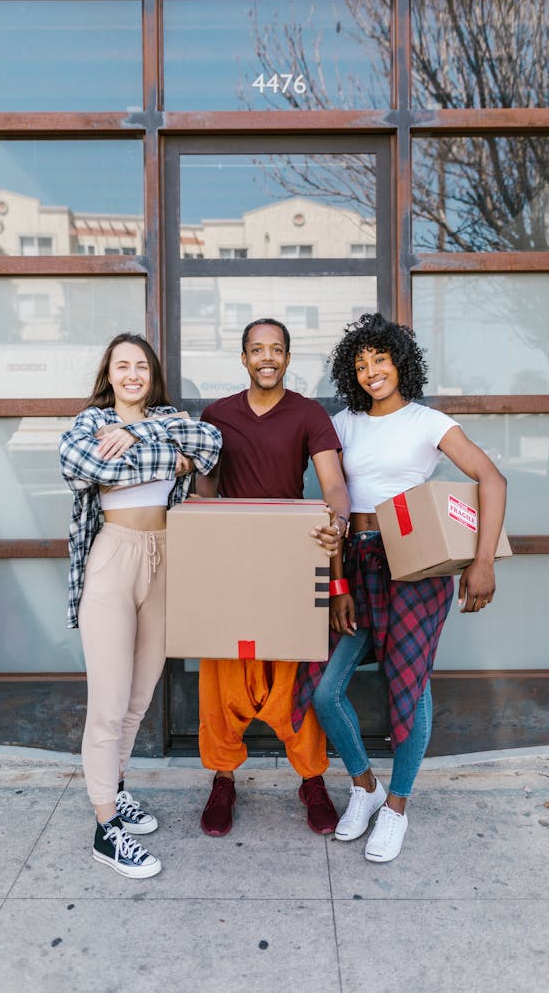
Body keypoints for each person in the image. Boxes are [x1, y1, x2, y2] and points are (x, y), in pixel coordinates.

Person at [293, 312, 507, 863]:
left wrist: (482, 562)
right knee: (324, 687)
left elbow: (491, 479)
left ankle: (397, 808)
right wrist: (337, 582)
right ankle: (364, 789)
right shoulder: (342, 424)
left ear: (399, 362)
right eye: (360, 364)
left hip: (414, 566)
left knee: (409, 687)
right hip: (355, 563)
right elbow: (329, 497)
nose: (371, 371)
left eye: (380, 359)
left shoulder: (427, 422)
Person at [59, 333, 222, 879]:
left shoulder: (168, 417)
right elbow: (82, 466)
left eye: (141, 367)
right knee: (106, 702)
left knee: (139, 694)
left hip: (165, 559)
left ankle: (117, 788)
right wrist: (169, 460)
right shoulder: (88, 422)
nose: (132, 375)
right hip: (114, 557)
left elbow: (210, 443)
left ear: (152, 374)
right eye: (121, 366)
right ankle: (107, 829)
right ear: (109, 374)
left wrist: (133, 434)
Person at [195, 318, 351, 837]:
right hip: (232, 561)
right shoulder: (217, 415)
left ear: (287, 358)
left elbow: (332, 483)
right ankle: (222, 779)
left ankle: (311, 781)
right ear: (243, 358)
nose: (267, 357)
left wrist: (339, 523)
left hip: (289, 557)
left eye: (276, 349)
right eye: (257, 349)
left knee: (295, 676)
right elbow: (205, 493)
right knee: (223, 675)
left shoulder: (308, 413)